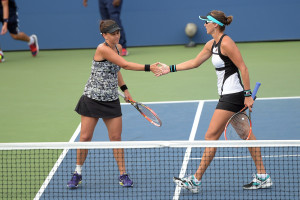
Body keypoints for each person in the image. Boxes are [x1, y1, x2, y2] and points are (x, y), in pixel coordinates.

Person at [159, 10, 273, 193]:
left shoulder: (227, 43)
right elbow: (194, 62)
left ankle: (195, 180)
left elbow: (243, 67)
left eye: (206, 22)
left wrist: (248, 95)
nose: (204, 24)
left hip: (233, 96)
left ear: (215, 24)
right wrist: (169, 69)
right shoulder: (211, 44)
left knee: (211, 136)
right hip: (227, 95)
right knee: (247, 135)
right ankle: (263, 176)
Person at [67, 19, 161, 189]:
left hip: (111, 100)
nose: (117, 35)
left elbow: (116, 70)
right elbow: (125, 65)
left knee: (116, 139)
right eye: (113, 33)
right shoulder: (102, 49)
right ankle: (77, 173)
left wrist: (125, 89)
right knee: (85, 138)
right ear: (104, 35)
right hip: (92, 99)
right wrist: (149, 67)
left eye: (118, 32)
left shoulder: (117, 48)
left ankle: (123, 174)